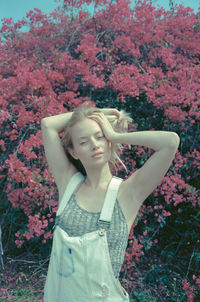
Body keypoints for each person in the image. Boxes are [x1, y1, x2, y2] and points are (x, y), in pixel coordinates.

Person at [41, 101, 180, 301]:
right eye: (83, 142)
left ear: (108, 141)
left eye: (100, 137)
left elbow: (170, 142)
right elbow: (48, 125)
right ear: (73, 152)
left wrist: (115, 135)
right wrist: (97, 114)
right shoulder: (68, 183)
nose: (95, 145)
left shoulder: (127, 193)